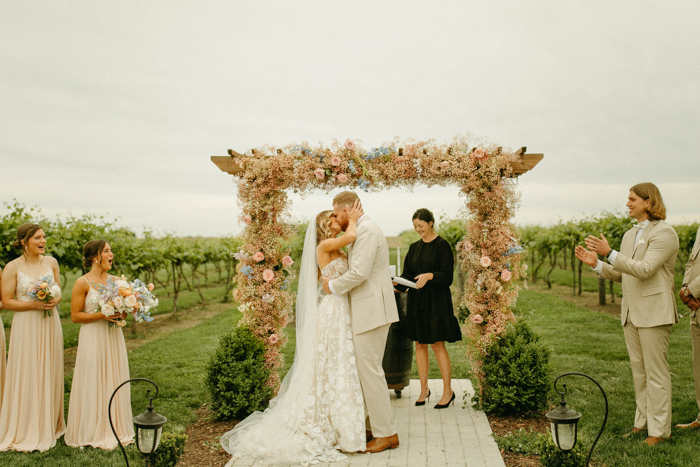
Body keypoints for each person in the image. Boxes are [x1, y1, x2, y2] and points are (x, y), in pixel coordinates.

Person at [221, 201, 366, 464]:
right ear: (325, 224)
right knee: (328, 362)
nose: (338, 218)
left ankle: (344, 421)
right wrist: (354, 217)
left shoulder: (338, 247)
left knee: (339, 362)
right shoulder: (324, 246)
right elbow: (352, 235)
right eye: (333, 216)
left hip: (342, 306)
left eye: (338, 215)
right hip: (333, 309)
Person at [576, 183, 678, 446]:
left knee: (656, 373)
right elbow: (624, 273)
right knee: (639, 373)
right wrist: (597, 263)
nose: (628, 203)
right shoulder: (629, 235)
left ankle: (659, 431)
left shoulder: (665, 233)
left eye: (632, 199)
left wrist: (608, 253)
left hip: (655, 312)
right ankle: (641, 423)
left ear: (648, 201)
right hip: (631, 313)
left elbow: (644, 269)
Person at [321, 191, 400, 454]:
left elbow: (359, 273)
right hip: (369, 310)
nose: (335, 217)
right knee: (366, 371)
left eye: (335, 212)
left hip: (372, 310)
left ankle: (386, 433)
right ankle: (371, 425)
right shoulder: (362, 228)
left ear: (346, 210)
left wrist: (331, 286)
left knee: (370, 372)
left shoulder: (366, 230)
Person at [0, 223, 65, 452]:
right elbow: (7, 301)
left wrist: (54, 300)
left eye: (44, 237)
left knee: (49, 367)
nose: (43, 241)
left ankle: (50, 423)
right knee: (28, 370)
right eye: (38, 237)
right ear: (24, 241)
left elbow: (57, 291)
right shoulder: (12, 267)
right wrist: (35, 304)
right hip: (26, 324)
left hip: (50, 322)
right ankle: (25, 426)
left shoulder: (51, 262)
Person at [65, 240, 134, 450]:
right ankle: (91, 429)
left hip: (113, 336)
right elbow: (75, 316)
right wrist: (101, 315)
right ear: (95, 256)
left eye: (111, 250)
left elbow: (122, 312)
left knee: (114, 376)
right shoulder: (82, 283)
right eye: (107, 251)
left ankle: (116, 426)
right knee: (93, 377)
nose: (111, 254)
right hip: (92, 336)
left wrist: (124, 310)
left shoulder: (117, 282)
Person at [394, 209, 462, 409]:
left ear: (430, 223)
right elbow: (408, 275)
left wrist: (431, 275)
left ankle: (448, 391)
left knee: (437, 345)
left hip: (437, 302)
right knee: (419, 345)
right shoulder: (414, 248)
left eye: (420, 226)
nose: (418, 230)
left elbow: (447, 277)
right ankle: (424, 390)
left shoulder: (443, 246)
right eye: (415, 226)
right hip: (417, 302)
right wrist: (396, 285)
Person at [676, 225, 700, 429]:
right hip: (696, 305)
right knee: (698, 364)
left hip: (697, 296)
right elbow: (691, 261)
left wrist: (691, 290)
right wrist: (685, 290)